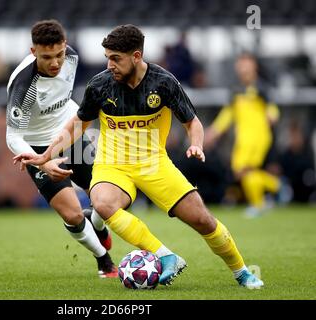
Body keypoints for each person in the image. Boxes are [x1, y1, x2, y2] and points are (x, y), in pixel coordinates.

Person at [13, 25, 263, 289]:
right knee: (103, 203)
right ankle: (166, 256)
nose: (109, 64)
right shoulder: (100, 85)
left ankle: (242, 272)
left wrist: (196, 144)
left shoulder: (163, 82)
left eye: (115, 58)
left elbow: (192, 123)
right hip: (113, 165)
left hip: (155, 164)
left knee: (203, 220)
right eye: (107, 57)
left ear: (136, 56)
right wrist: (45, 155)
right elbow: (76, 125)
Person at [6, 20, 117, 278]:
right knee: (72, 213)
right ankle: (104, 260)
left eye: (59, 54)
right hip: (37, 145)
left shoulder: (72, 58)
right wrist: (42, 162)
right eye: (47, 57)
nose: (55, 63)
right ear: (33, 52)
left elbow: (64, 99)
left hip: (70, 133)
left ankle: (98, 227)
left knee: (105, 199)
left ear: (65, 47)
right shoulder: (23, 86)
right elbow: (13, 137)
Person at [205, 53, 282, 217]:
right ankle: (276, 187)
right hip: (243, 138)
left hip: (259, 137)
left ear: (254, 66)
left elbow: (272, 107)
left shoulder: (261, 88)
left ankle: (259, 204)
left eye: (246, 63)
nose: (243, 67)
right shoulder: (236, 90)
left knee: (243, 169)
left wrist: (273, 115)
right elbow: (228, 114)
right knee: (241, 171)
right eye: (240, 64)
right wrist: (214, 131)